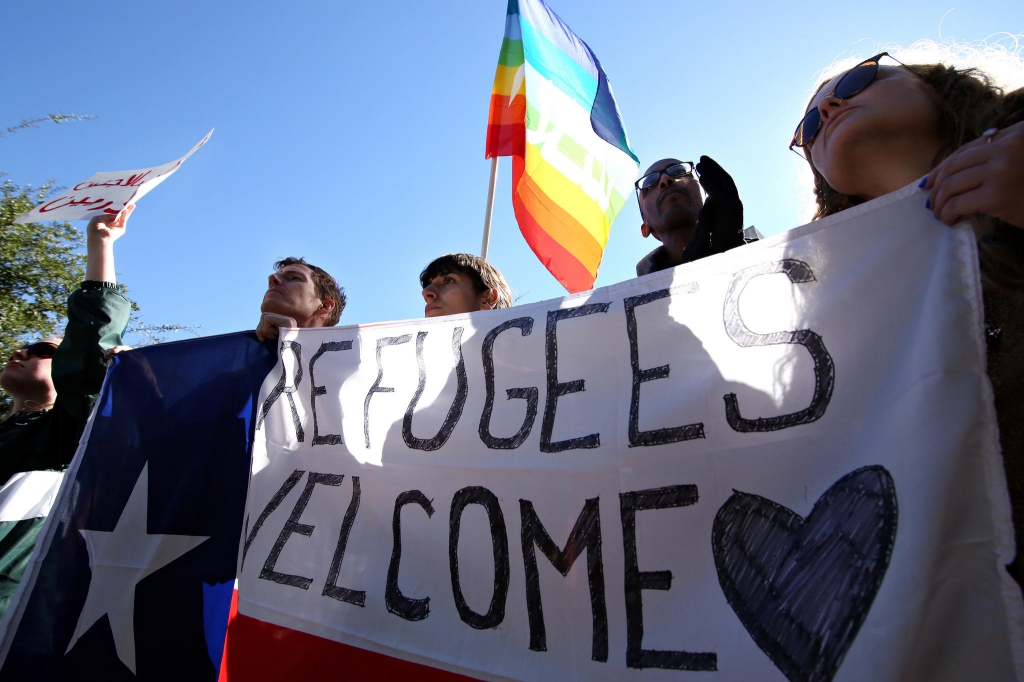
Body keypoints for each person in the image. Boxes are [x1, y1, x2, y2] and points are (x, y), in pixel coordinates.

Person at [792, 48, 1024, 580]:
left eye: (856, 80)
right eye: (808, 124)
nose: (828, 109)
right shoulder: (834, 328)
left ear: (934, 85)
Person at [0, 205, 135, 616]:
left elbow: (90, 346)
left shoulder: (65, 436)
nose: (20, 352)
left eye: (44, 351)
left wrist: (100, 243)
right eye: (24, 346)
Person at [635, 156, 748, 276]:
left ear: (705, 195)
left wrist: (736, 256)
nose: (665, 179)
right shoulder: (632, 292)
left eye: (679, 171)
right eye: (650, 182)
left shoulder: (766, 252)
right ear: (645, 228)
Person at [255, 257, 346, 341]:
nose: (272, 278)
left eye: (294, 277)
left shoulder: (351, 356)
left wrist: (291, 342)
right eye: (269, 284)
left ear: (325, 306)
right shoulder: (243, 348)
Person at [420, 253, 513, 317]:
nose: (426, 292)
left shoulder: (524, 345)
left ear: (488, 299)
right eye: (429, 284)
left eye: (448, 281)